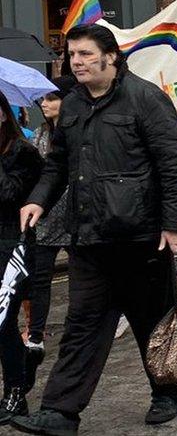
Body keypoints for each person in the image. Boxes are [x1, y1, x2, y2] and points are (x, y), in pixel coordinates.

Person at [16, 24, 177, 434]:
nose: (75, 61)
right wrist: (39, 198)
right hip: (89, 237)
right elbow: (59, 163)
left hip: (142, 237)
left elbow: (173, 165)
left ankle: (167, 392)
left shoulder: (146, 99)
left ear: (110, 56)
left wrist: (175, 225)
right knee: (82, 325)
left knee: (153, 324)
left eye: (85, 54)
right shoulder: (73, 104)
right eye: (72, 54)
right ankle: (61, 412)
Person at [23, 75, 75, 393]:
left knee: (87, 278)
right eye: (43, 100)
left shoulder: (75, 133)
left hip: (74, 217)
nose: (45, 104)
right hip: (45, 219)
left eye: (51, 99)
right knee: (39, 280)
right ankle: (36, 336)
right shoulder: (40, 135)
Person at [0, 92, 43, 424]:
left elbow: (12, 195)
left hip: (13, 246)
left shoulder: (22, 152)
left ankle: (16, 394)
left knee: (2, 322)